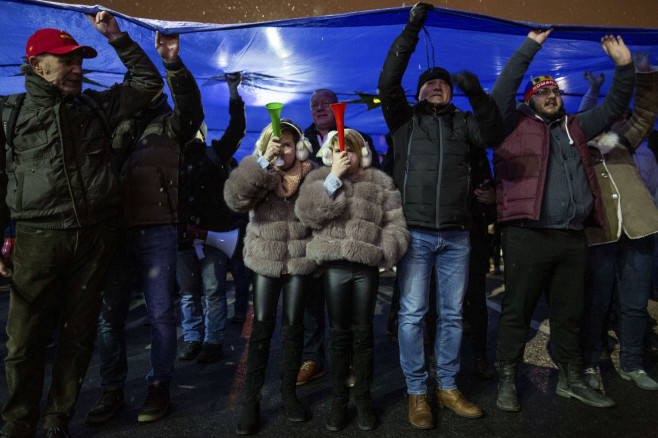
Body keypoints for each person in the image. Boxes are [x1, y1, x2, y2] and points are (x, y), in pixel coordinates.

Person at [0, 12, 163, 438]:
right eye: (67, 60)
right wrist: (4, 240)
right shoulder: (9, 115)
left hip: (95, 239)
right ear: (37, 65)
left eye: (80, 60)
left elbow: (148, 83)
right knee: (24, 341)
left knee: (78, 335)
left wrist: (116, 37)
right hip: (37, 238)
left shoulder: (94, 106)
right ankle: (18, 423)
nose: (77, 68)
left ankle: (57, 418)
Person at [490, 29, 635, 412]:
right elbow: (501, 92)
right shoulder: (510, 124)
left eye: (554, 91)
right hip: (527, 233)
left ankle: (572, 379)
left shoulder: (576, 128)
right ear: (529, 100)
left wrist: (624, 68)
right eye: (542, 92)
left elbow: (616, 104)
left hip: (571, 237)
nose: (551, 95)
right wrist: (529, 48)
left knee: (570, 313)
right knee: (517, 311)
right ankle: (507, 378)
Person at [377, 2, 505, 429]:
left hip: (456, 236)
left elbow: (493, 132)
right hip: (414, 235)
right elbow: (387, 80)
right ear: (417, 93)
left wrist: (477, 93)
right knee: (412, 314)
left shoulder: (465, 124)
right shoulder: (403, 122)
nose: (437, 86)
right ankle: (418, 392)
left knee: (452, 315)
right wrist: (413, 27)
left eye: (444, 84)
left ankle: (447, 386)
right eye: (430, 83)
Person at [84, 32, 204, 426]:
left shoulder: (172, 125)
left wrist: (173, 64)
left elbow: (191, 108)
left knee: (160, 314)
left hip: (157, 229)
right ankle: (111, 389)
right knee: (109, 316)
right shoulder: (112, 123)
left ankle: (159, 386)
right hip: (114, 229)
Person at [296, 128, 409, 431]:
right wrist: (332, 178)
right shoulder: (320, 180)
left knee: (363, 334)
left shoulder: (379, 182)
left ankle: (363, 398)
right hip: (334, 268)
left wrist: (382, 251)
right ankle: (338, 399)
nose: (344, 155)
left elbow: (395, 224)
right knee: (338, 334)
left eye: (351, 149)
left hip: (364, 269)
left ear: (363, 152)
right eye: (336, 149)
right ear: (328, 154)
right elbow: (308, 215)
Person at [224, 119, 317, 435]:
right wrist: (264, 161)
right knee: (261, 330)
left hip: (300, 260)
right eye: (277, 143)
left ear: (298, 148)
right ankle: (252, 402)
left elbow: (324, 210)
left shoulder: (309, 174)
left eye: (288, 144)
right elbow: (235, 198)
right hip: (265, 260)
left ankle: (289, 395)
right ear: (266, 145)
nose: (283, 150)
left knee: (294, 328)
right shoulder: (256, 171)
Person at [579, 54, 658, 392]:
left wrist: (642, 74)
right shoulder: (579, 150)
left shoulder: (624, 143)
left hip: (639, 230)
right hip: (601, 236)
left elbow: (643, 112)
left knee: (635, 304)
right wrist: (594, 91)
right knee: (595, 305)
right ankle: (590, 364)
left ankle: (632, 365)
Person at [297, 88, 381, 386]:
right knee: (311, 301)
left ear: (337, 108)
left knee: (343, 304)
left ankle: (346, 361)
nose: (319, 108)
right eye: (313, 104)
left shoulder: (359, 139)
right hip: (311, 236)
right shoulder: (299, 142)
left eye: (325, 103)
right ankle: (313, 358)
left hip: (347, 237)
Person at [176, 72, 246, 364]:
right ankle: (193, 338)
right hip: (183, 237)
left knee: (213, 290)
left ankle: (212, 341)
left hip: (212, 234)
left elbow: (237, 128)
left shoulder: (216, 153)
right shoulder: (173, 156)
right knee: (189, 292)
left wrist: (233, 92)